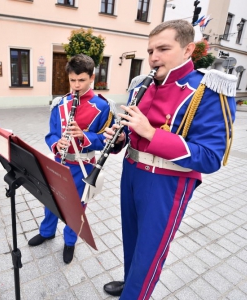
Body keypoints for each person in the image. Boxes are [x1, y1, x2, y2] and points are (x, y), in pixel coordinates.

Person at [102, 19, 236, 298]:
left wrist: (151, 133)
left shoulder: (207, 89)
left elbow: (211, 157)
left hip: (167, 181)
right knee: (132, 240)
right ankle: (131, 282)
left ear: (188, 50)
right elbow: (132, 135)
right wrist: (120, 139)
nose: (153, 57)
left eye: (163, 49)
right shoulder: (141, 85)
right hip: (132, 172)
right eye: (150, 50)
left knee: (149, 252)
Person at [28, 54, 116, 264]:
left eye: (82, 80)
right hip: (58, 161)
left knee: (76, 207)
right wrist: (56, 144)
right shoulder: (60, 103)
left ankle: (69, 241)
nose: (76, 86)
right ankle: (47, 232)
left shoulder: (103, 106)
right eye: (72, 80)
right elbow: (51, 134)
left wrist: (83, 137)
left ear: (92, 77)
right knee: (51, 200)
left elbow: (106, 141)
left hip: (83, 165)